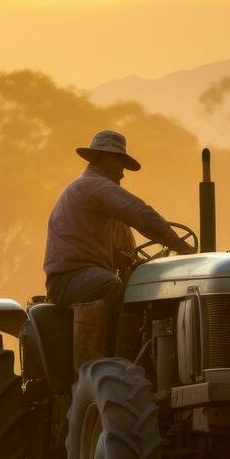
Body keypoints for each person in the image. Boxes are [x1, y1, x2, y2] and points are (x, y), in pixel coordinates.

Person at [43, 129, 194, 333]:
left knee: (134, 286)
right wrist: (182, 247)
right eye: (120, 164)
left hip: (83, 276)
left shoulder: (101, 204)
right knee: (111, 285)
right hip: (69, 280)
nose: (122, 173)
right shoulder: (93, 186)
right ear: (104, 159)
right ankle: (115, 357)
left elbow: (124, 252)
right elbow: (142, 215)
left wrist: (136, 263)